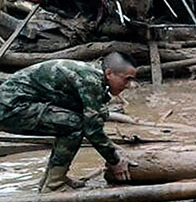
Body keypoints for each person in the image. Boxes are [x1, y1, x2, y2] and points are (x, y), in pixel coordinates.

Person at [0, 53, 136, 192]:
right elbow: (92, 129)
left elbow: (93, 117)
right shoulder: (91, 80)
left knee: (72, 122)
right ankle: (54, 183)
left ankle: (51, 179)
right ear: (109, 73)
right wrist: (115, 161)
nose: (129, 85)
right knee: (74, 125)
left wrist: (113, 148)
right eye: (127, 79)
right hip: (10, 109)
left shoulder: (92, 74)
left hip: (16, 105)